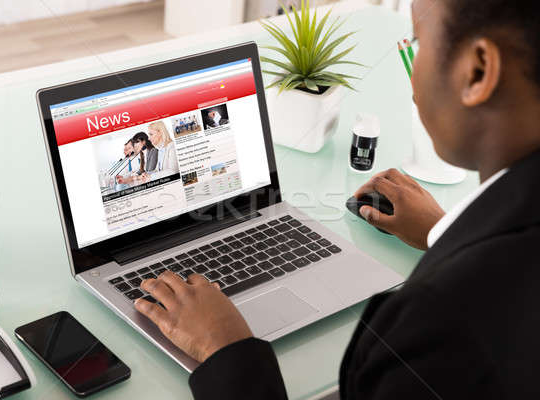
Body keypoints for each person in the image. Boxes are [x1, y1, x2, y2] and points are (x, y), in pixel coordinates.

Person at [133, 0, 540, 398]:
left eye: (418, 42)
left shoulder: (440, 327)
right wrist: (444, 233)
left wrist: (225, 351)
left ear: (478, 70)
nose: (413, 71)